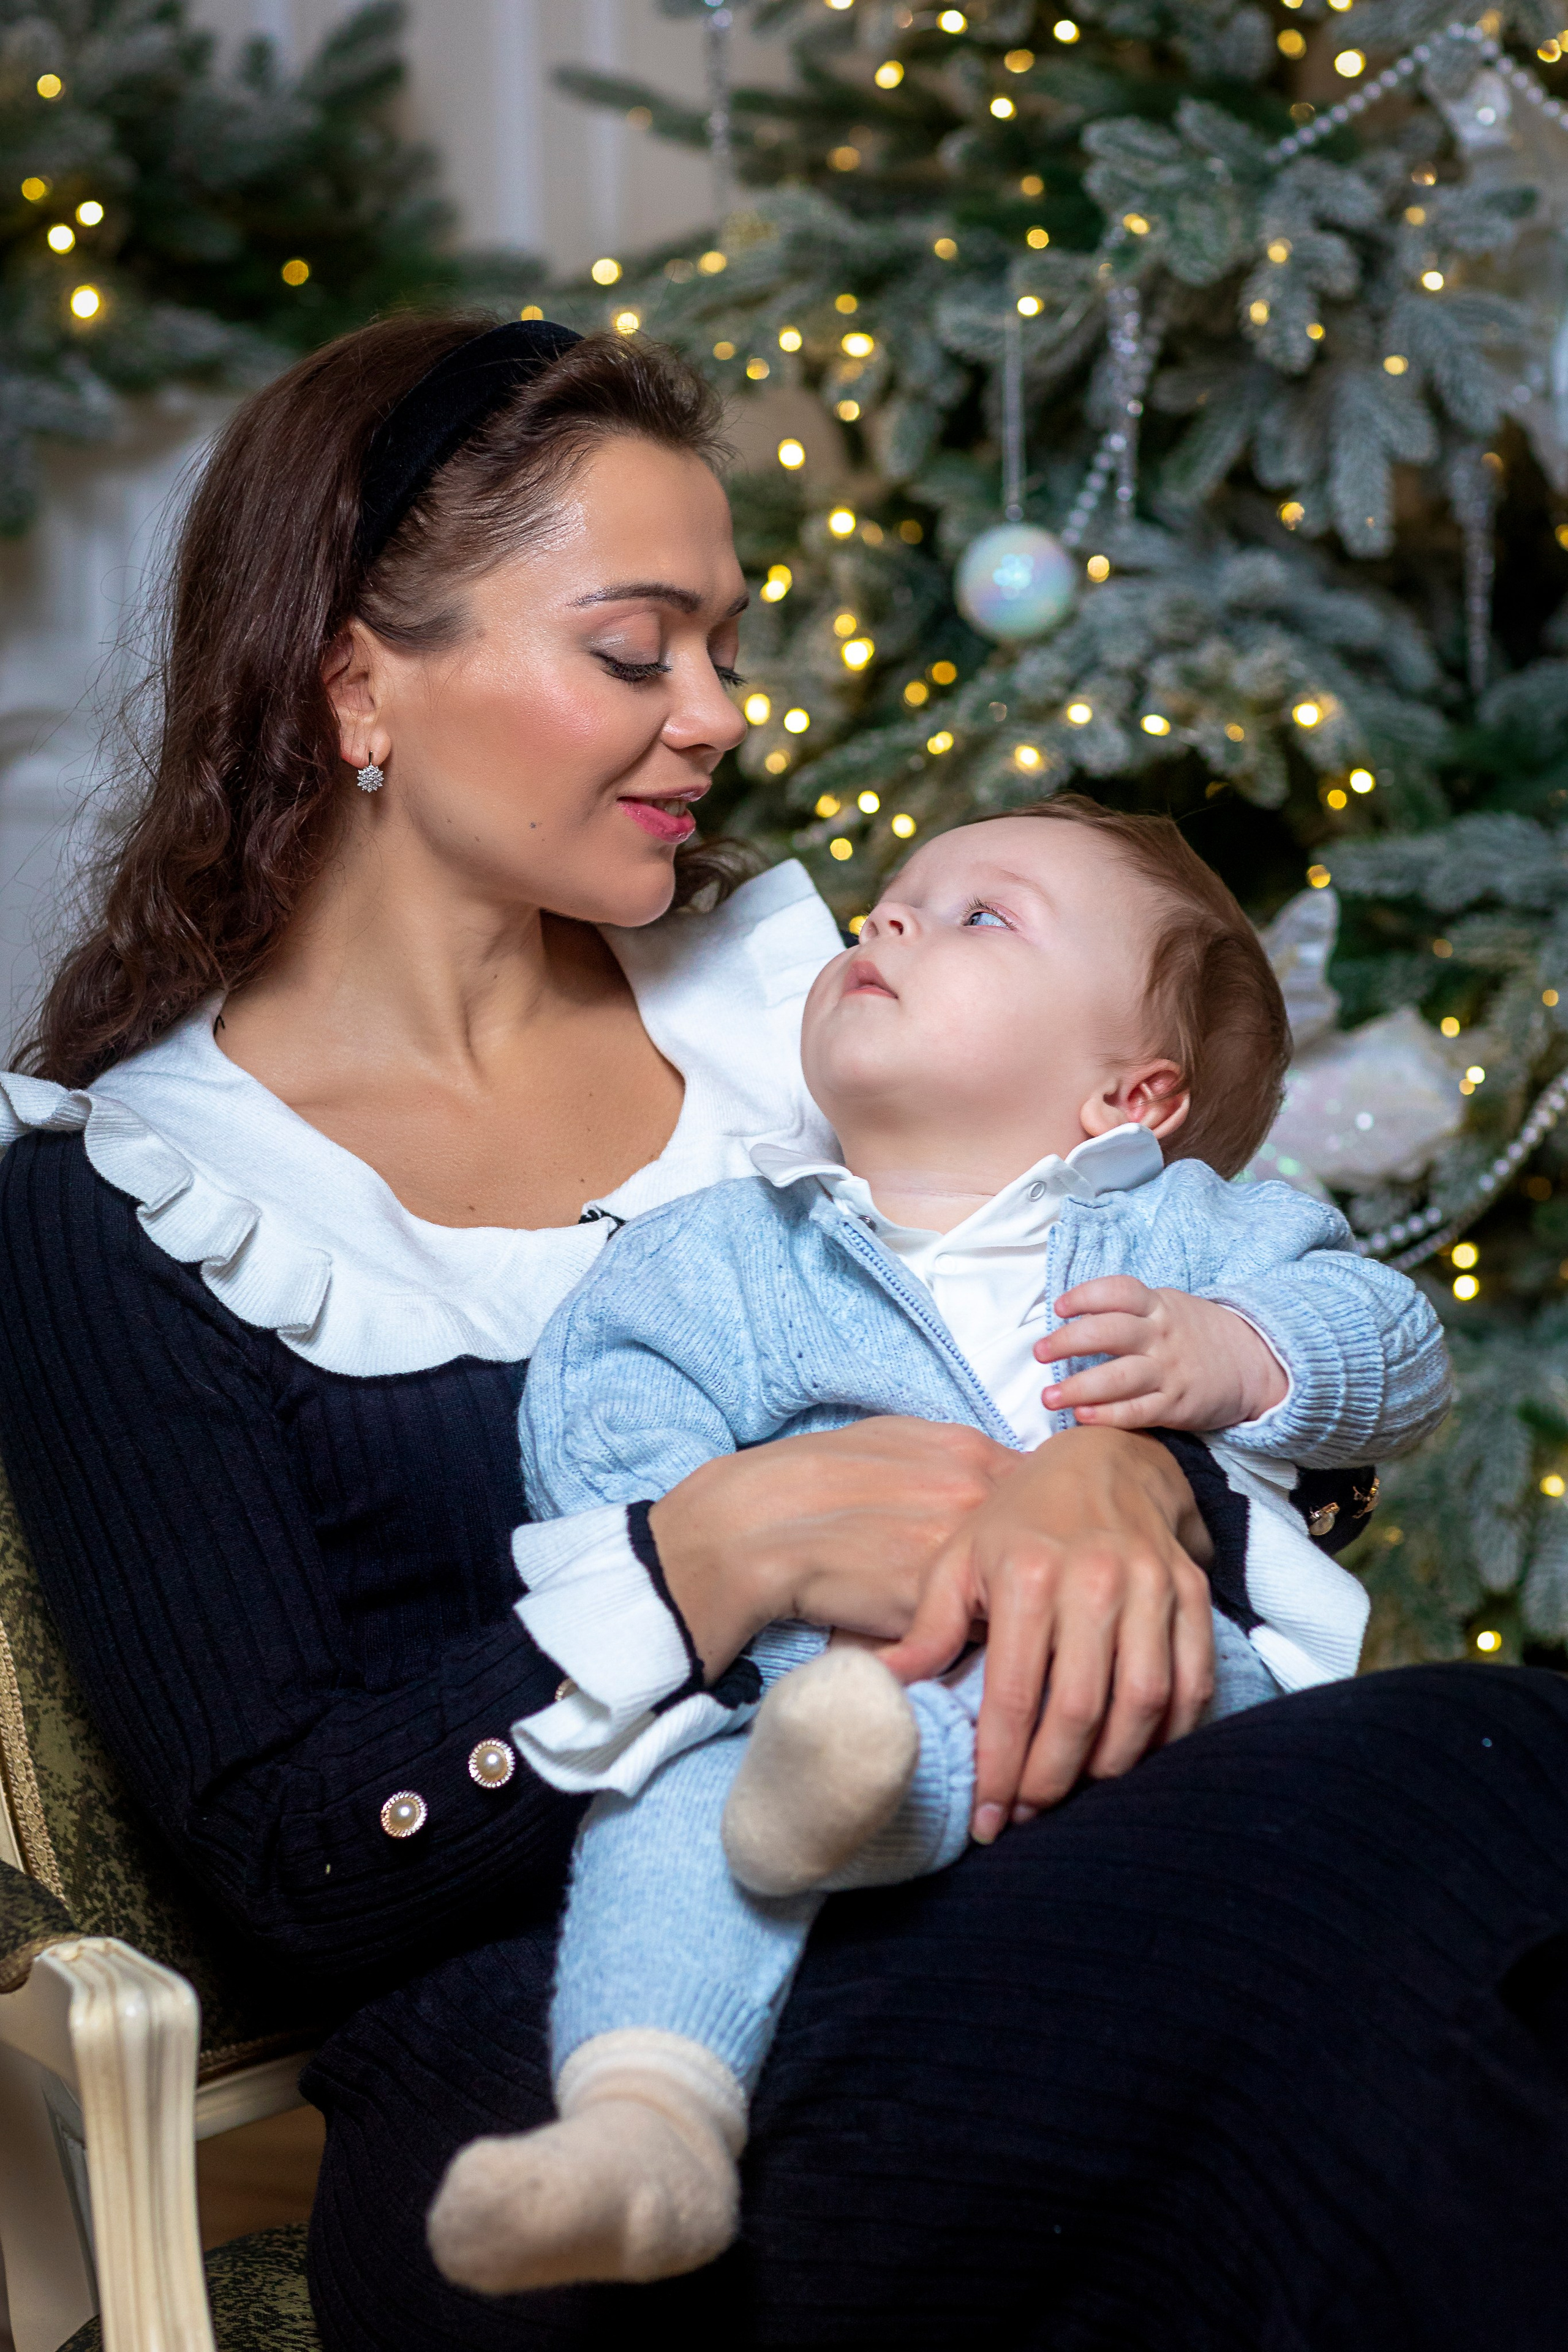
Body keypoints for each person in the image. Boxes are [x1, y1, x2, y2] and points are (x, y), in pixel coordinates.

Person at [0, 317, 1566, 2352]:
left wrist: (1126, 1471)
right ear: (357, 672)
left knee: (1448, 1901)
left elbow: (1240, 1374)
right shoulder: (120, 1195)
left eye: (724, 646)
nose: (724, 715)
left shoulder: (802, 1010)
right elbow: (285, 1864)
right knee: (1443, 1814)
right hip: (569, 2066)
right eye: (637, 651)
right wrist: (712, 1563)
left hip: (1028, 1882)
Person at [426, 798, 1448, 2297]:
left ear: (1130, 1096)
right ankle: (643, 2124)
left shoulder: (1186, 1233)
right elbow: (604, 1450)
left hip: (1152, 1696)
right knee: (663, 1808)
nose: (887, 920)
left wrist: (1231, 1352)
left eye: (981, 917)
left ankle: (878, 1798)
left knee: (1220, 1706)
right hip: (806, 1697)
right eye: (888, 901)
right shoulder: (714, 1255)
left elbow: (1396, 1343)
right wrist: (756, 1555)